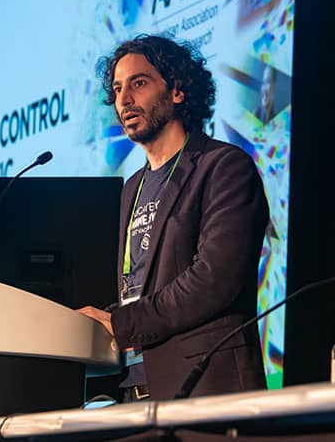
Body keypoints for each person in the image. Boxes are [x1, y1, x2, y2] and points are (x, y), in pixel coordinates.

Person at [78, 34, 268, 401]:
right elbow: (141, 288)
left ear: (178, 91)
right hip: (137, 389)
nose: (124, 99)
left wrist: (123, 323)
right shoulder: (131, 188)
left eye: (139, 83)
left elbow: (214, 280)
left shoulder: (223, 167)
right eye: (117, 89)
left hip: (205, 389)